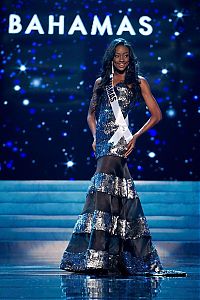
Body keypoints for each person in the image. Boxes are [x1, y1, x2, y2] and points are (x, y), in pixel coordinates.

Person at [60, 38, 186, 276]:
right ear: (111, 57)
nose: (121, 59)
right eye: (117, 55)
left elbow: (156, 115)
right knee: (113, 196)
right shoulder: (100, 82)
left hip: (120, 143)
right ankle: (115, 256)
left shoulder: (138, 82)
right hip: (103, 144)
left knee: (102, 194)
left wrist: (136, 136)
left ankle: (99, 255)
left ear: (130, 58)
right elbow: (90, 115)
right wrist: (95, 136)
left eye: (125, 55)